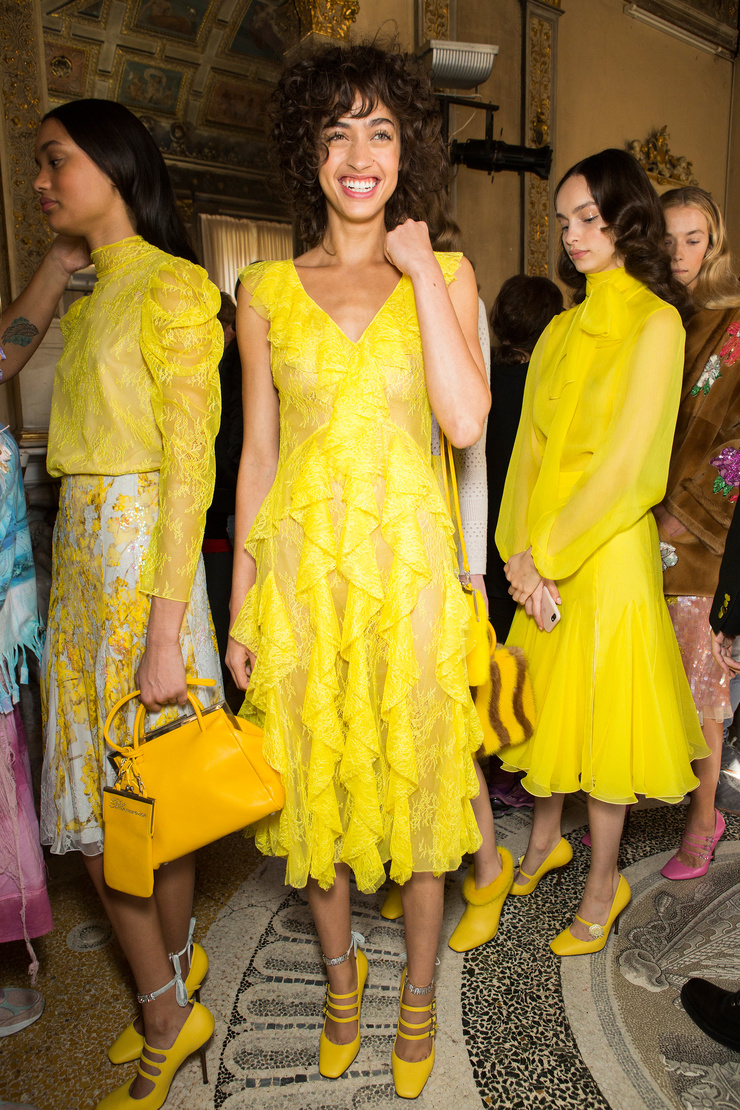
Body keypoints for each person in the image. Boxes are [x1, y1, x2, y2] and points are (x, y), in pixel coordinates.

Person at [225, 42, 490, 1099]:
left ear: (406, 150)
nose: (359, 154)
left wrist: (421, 270)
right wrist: (240, 610)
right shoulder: (261, 289)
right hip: (300, 582)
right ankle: (342, 982)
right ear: (311, 153)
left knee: (420, 791)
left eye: (379, 131)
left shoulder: (448, 276)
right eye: (336, 133)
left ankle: (418, 997)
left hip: (412, 576)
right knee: (314, 786)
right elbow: (254, 458)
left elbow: (463, 422)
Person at [2, 99, 223, 1110]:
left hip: (139, 565)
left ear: (116, 165)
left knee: (131, 810)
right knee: (120, 809)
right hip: (82, 557)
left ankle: (166, 1008)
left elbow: (189, 472)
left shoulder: (173, 287)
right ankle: (170, 984)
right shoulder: (88, 298)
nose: (41, 182)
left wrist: (167, 631)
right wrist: (54, 275)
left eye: (56, 161)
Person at [497, 148, 708, 956]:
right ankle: (544, 842)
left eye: (589, 218)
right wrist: (517, 552)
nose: (574, 235)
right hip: (544, 554)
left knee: (604, 723)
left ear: (628, 219)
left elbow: (631, 469)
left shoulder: (657, 323)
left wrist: (545, 553)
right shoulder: (557, 328)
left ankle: (603, 884)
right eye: (564, 222)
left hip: (608, 550)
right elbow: (528, 452)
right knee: (549, 709)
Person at [654, 186, 740, 878]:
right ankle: (634, 799)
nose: (680, 253)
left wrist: (687, 512)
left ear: (714, 244)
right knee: (646, 676)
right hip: (633, 524)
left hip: (696, 535)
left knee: (699, 686)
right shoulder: (654, 317)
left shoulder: (734, 323)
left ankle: (704, 817)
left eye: (695, 238)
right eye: (669, 238)